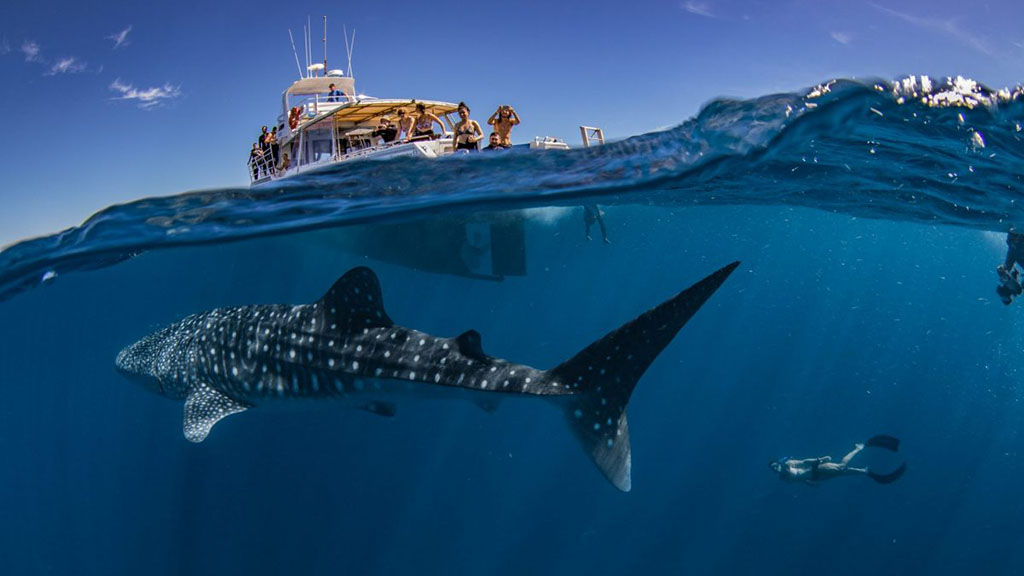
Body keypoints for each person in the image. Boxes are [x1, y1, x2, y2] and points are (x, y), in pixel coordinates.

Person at [769, 435, 907, 485]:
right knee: (842, 472)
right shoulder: (784, 479)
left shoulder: (788, 464)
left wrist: (819, 459)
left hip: (817, 468)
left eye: (775, 465)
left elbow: (804, 462)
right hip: (817, 478)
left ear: (779, 463)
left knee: (841, 466)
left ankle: (860, 447)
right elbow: (800, 479)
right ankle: (866, 472)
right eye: (773, 468)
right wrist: (809, 483)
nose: (776, 468)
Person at [997, 230, 1024, 305]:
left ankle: (1016, 237)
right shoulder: (1015, 288)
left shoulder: (1015, 288)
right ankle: (1016, 237)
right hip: (1016, 247)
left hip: (1015, 247)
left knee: (1014, 250)